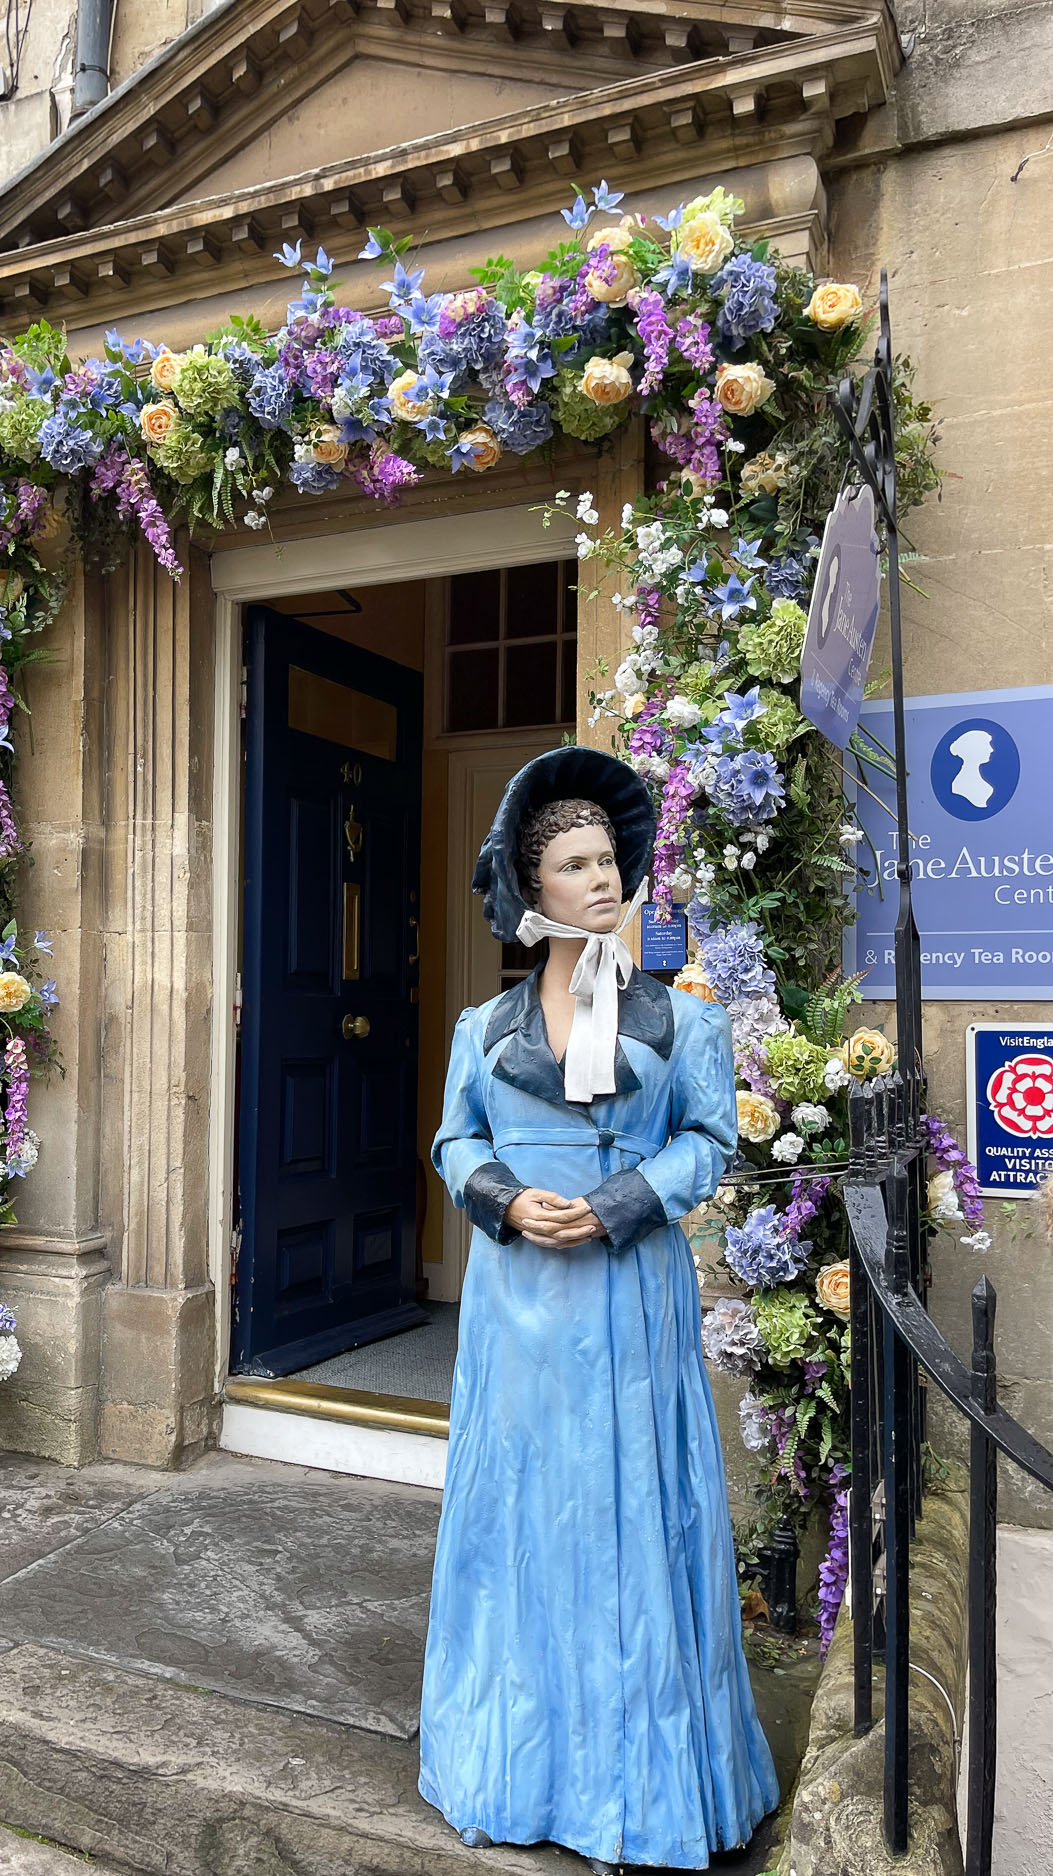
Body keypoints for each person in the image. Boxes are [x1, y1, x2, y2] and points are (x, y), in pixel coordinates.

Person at [418, 747, 778, 1873]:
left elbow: (709, 1143)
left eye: (609, 858)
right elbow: (454, 1140)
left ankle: (637, 1796)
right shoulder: (482, 1028)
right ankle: (508, 1772)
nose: (601, 878)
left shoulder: (685, 1023)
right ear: (531, 886)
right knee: (521, 1520)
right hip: (518, 1304)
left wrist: (621, 1201)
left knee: (632, 1517)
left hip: (628, 1295)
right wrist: (502, 1197)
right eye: (573, 864)